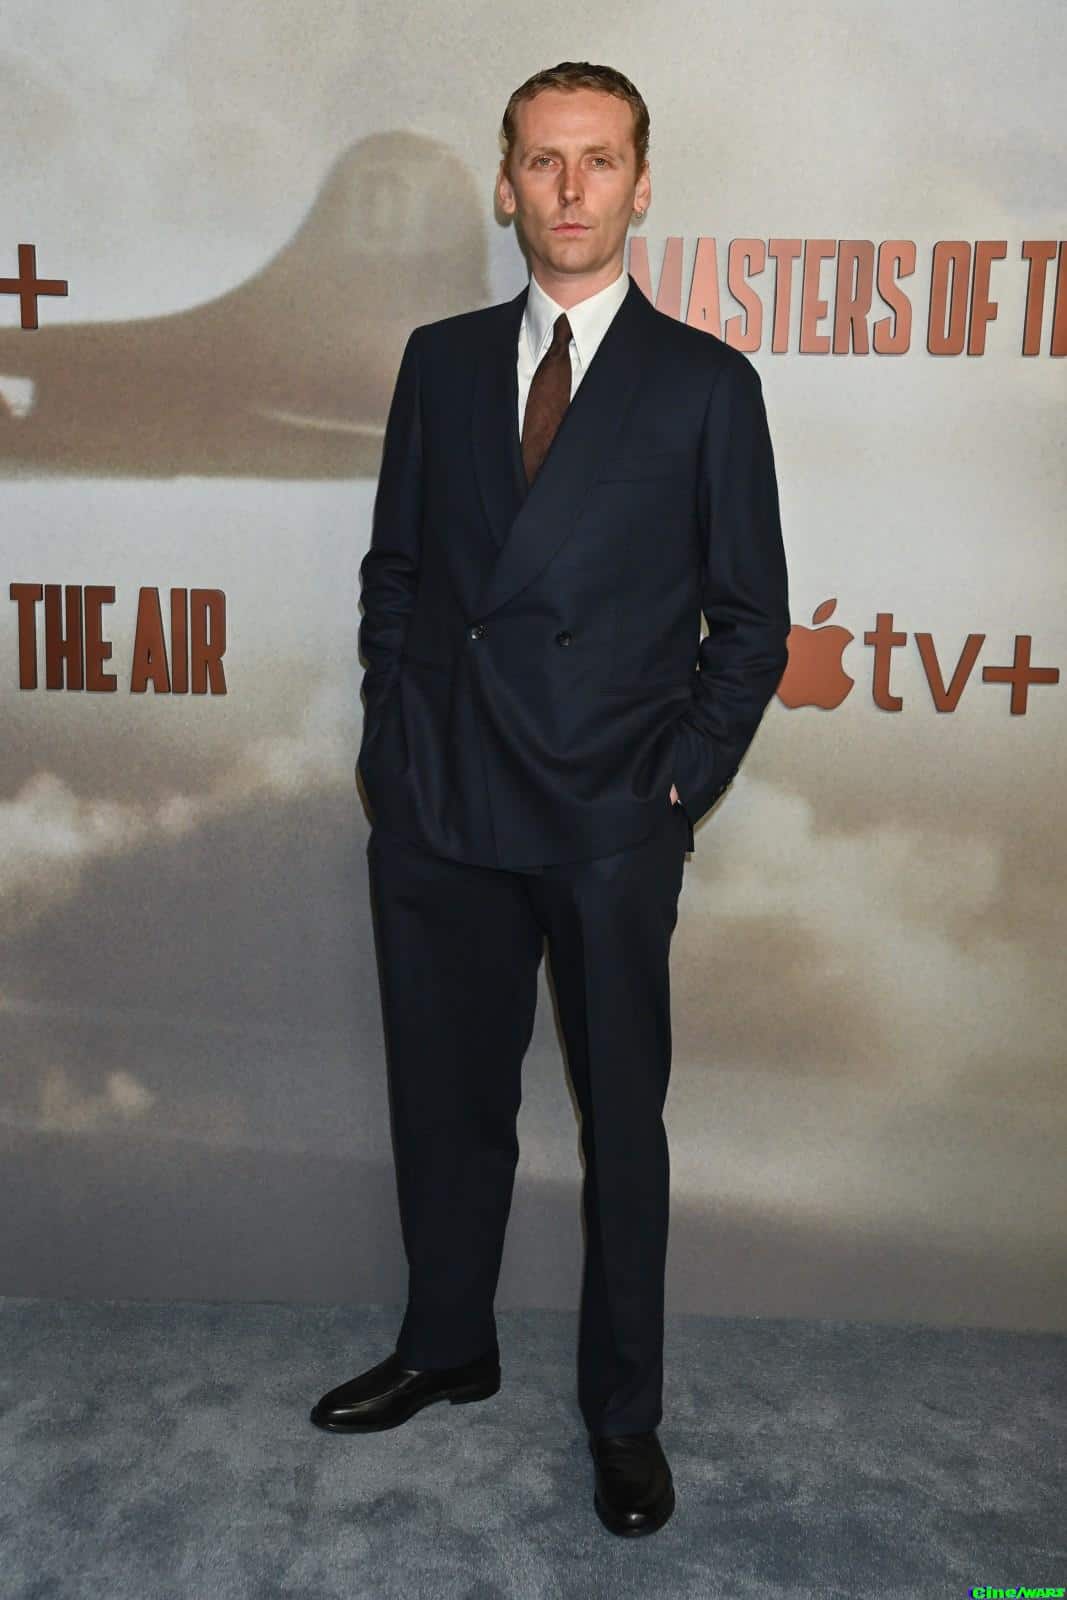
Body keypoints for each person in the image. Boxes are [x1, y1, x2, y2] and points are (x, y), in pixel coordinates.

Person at [310, 60, 790, 1538]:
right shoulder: (443, 362)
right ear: (504, 183)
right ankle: (447, 1344)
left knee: (621, 1132)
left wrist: (674, 784)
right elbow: (398, 574)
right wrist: (395, 746)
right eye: (542, 160)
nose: (570, 189)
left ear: (643, 187)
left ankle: (624, 1418)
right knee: (446, 1108)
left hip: (605, 820)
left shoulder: (707, 384)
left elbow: (751, 625)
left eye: (599, 161)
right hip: (444, 804)